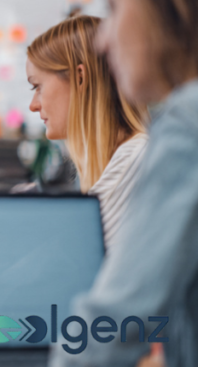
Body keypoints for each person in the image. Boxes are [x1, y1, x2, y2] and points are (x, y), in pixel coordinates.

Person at [50, 0, 198, 367]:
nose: (102, 40)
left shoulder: (187, 126)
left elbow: (114, 326)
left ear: (171, 9)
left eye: (114, 8)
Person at [25, 15, 148, 250]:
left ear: (80, 78)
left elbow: (72, 260)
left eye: (38, 87)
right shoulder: (121, 159)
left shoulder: (134, 159)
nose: (33, 105)